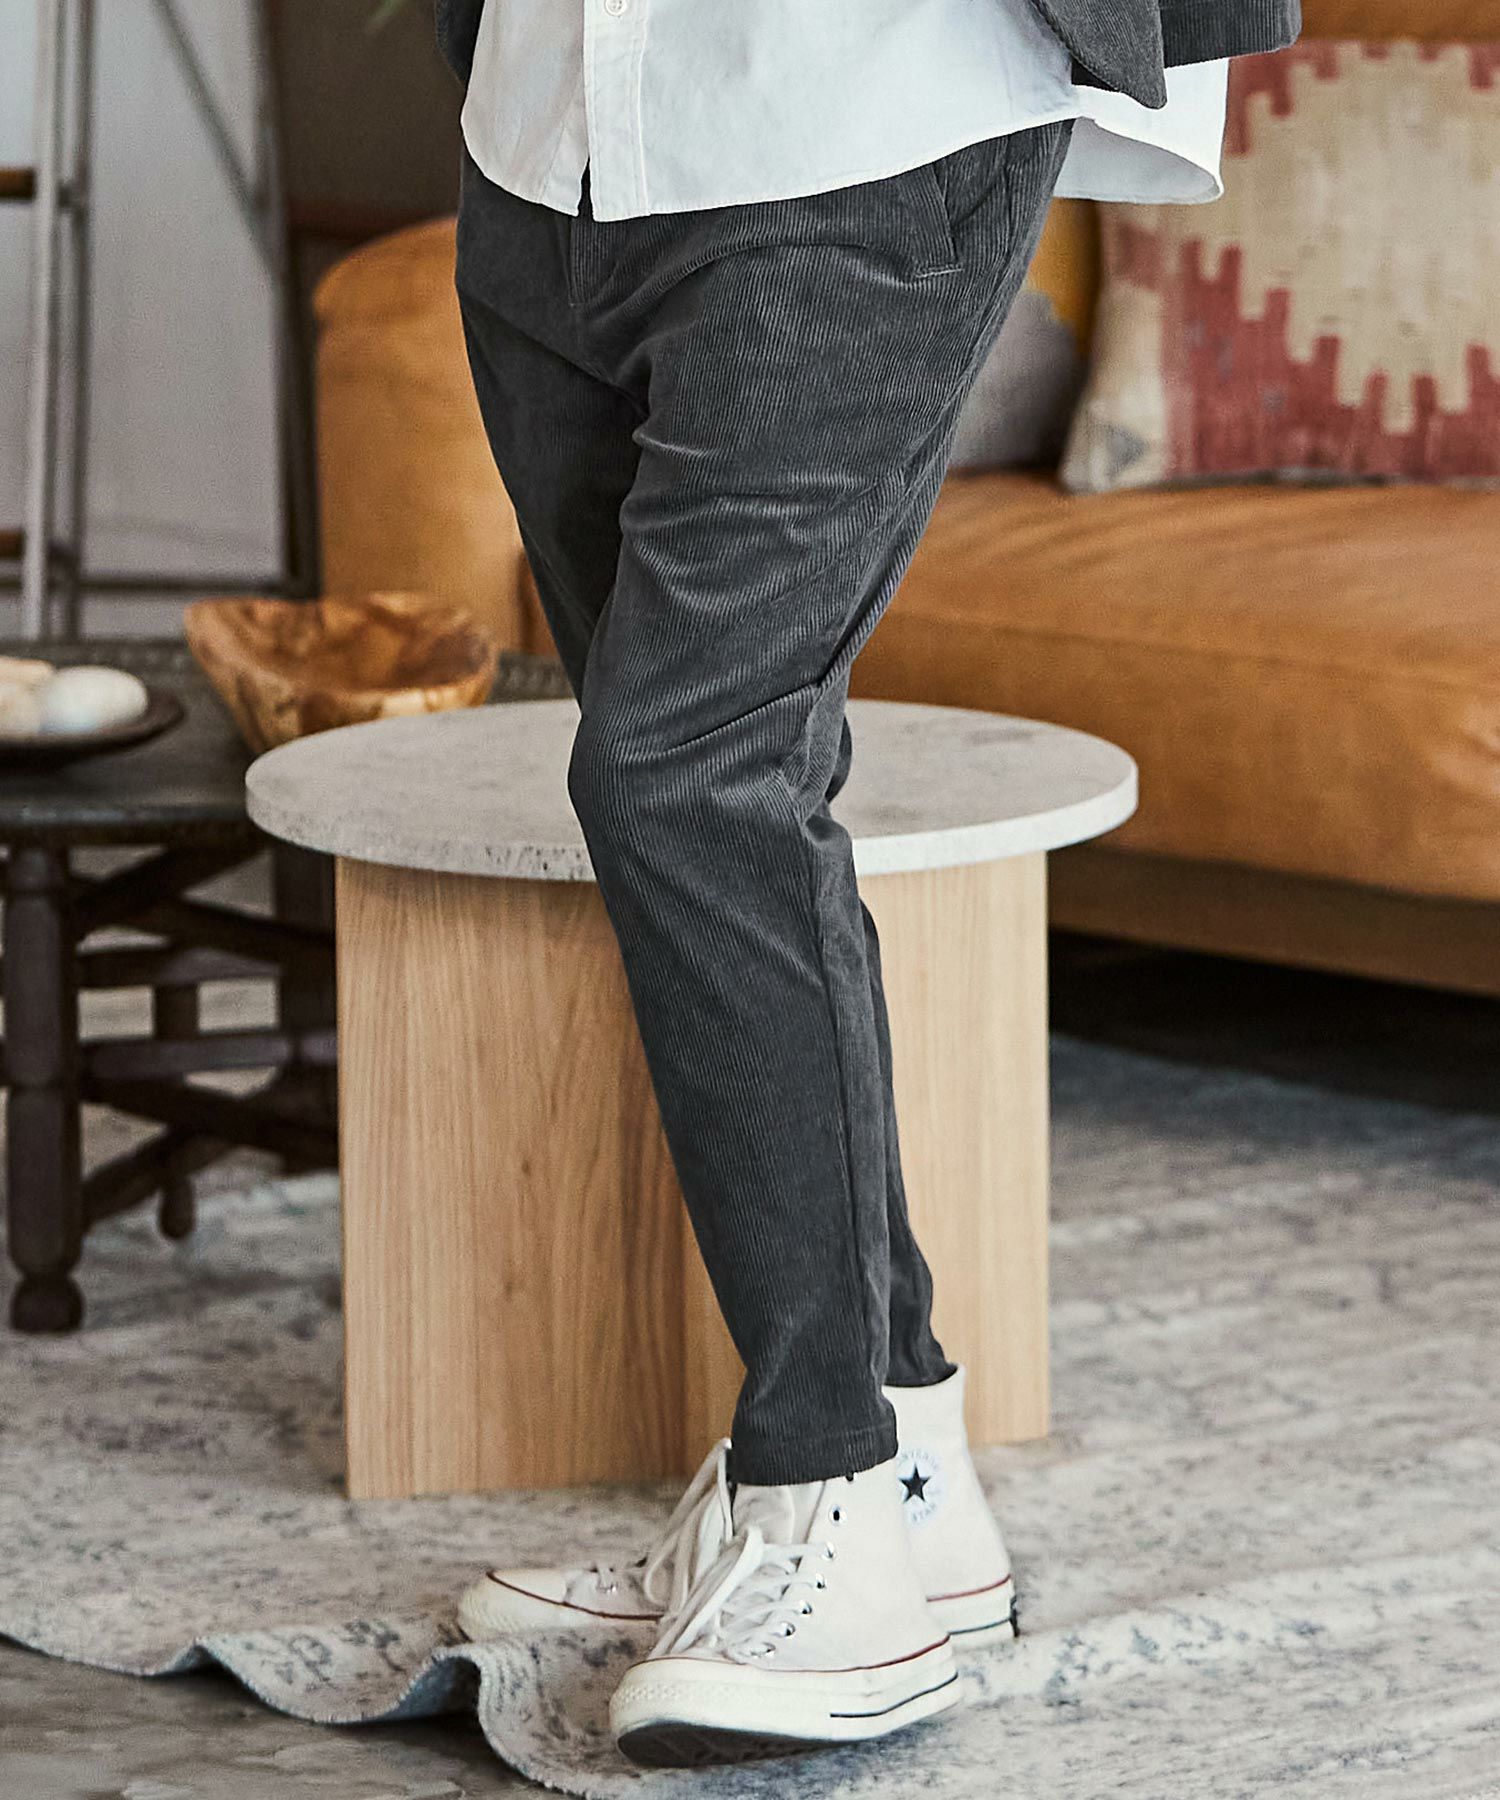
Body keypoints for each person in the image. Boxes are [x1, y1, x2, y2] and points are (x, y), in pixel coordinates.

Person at [440, 0, 1298, 1767]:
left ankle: (820, 1490)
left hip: (862, 112)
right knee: (725, 790)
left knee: (684, 774)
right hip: (544, 126)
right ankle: (907, 1480)